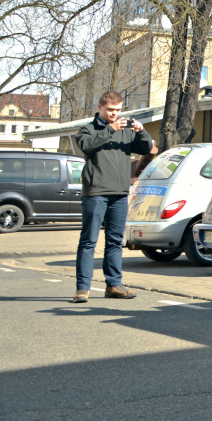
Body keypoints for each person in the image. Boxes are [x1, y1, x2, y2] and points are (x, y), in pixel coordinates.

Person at [72, 91, 152, 302]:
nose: (114, 114)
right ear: (100, 108)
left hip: (119, 194)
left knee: (115, 241)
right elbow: (86, 146)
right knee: (88, 241)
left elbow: (146, 147)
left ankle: (114, 285)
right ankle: (82, 288)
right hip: (96, 192)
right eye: (110, 110)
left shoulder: (125, 131)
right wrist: (109, 130)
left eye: (118, 110)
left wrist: (142, 131)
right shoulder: (88, 129)